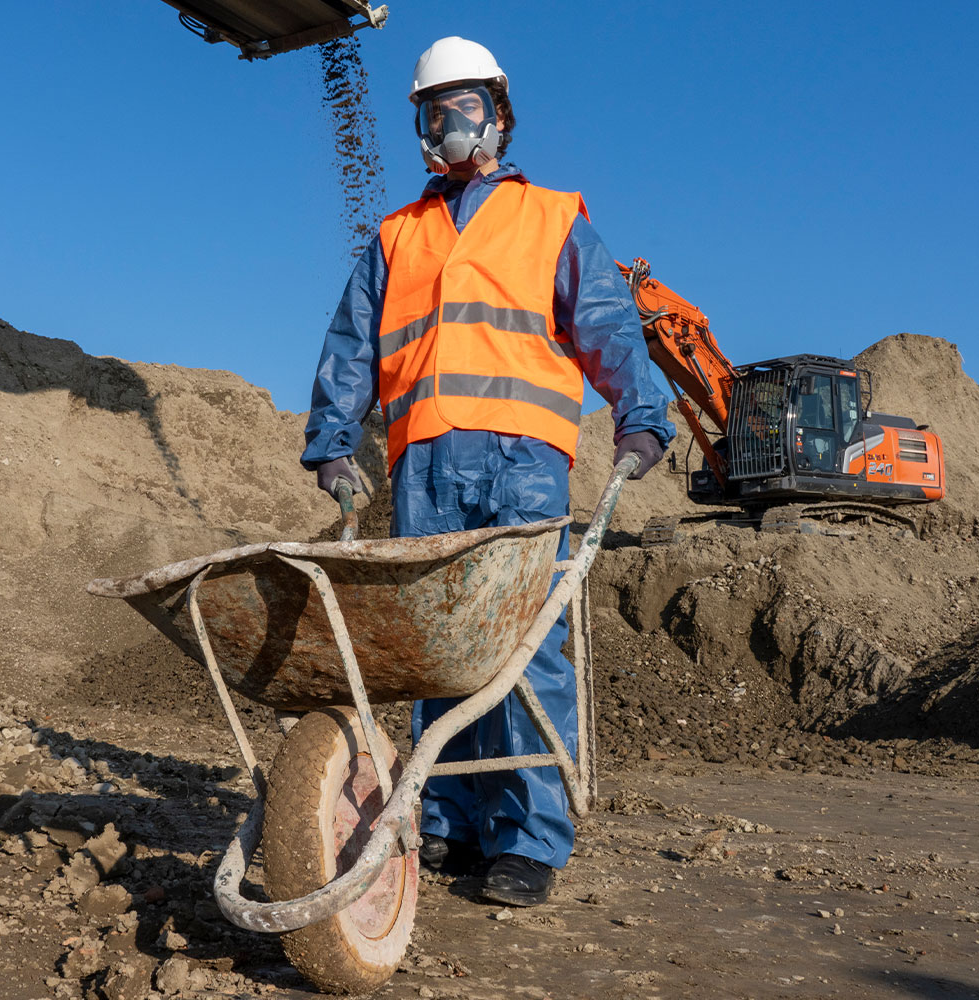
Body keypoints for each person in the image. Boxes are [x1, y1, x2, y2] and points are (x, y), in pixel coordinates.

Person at [301, 36, 675, 907]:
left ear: (499, 117)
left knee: (520, 650)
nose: (447, 125)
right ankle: (448, 821)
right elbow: (352, 347)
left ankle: (529, 840)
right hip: (422, 467)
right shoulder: (395, 236)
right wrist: (330, 443)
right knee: (434, 649)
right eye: (432, 112)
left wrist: (642, 416)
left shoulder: (550, 219)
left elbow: (611, 328)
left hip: (521, 465)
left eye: (463, 108)